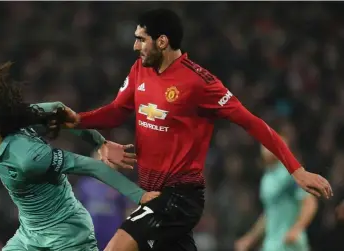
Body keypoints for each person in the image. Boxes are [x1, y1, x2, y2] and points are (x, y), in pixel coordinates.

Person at [61, 8, 333, 251]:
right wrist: (78, 120)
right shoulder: (140, 70)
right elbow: (117, 110)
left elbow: (252, 122)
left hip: (179, 197)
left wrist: (296, 169)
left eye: (141, 39)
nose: (135, 46)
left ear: (162, 41)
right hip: (151, 191)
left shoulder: (199, 83)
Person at [0, 61, 160, 251]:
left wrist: (140, 195)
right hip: (29, 235)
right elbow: (58, 110)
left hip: (66, 237)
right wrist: (100, 142)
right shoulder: (14, 119)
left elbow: (92, 166)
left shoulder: (29, 158)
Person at [235, 135, 318, 251]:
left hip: (290, 245)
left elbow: (310, 203)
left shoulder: (290, 174)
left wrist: (297, 229)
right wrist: (250, 238)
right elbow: (269, 213)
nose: (265, 148)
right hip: (272, 244)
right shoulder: (267, 177)